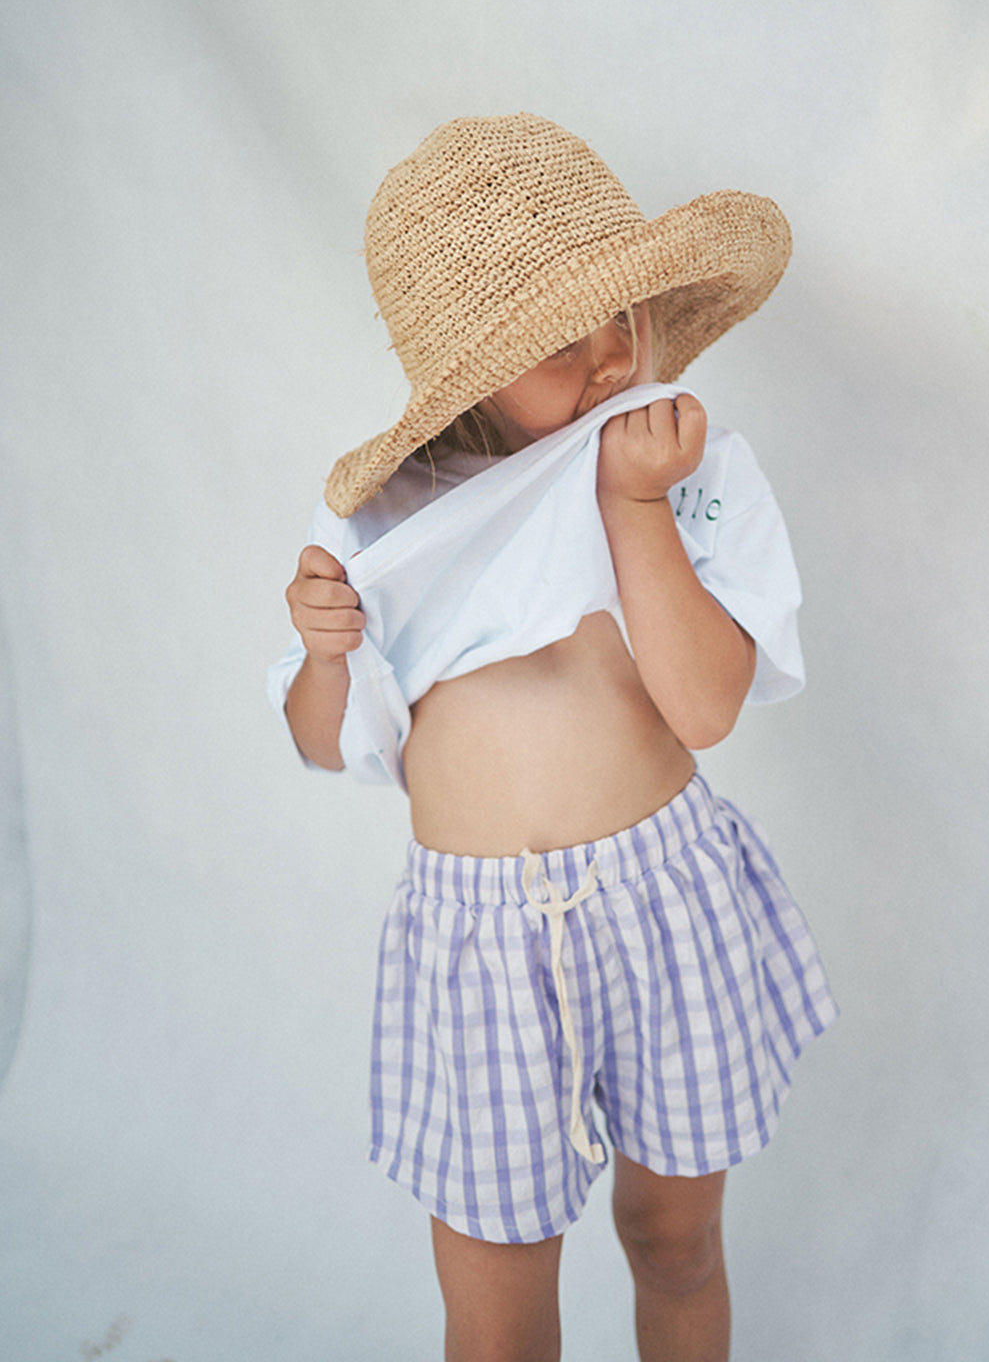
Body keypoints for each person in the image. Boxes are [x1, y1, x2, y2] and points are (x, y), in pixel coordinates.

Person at [269, 113, 836, 1362]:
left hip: (663, 898)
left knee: (672, 1239)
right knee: (495, 1315)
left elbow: (704, 707)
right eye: (552, 339)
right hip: (474, 942)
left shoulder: (684, 461)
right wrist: (323, 654)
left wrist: (632, 506)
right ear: (465, 369)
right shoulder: (388, 522)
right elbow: (332, 745)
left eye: (617, 318)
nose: (604, 357)